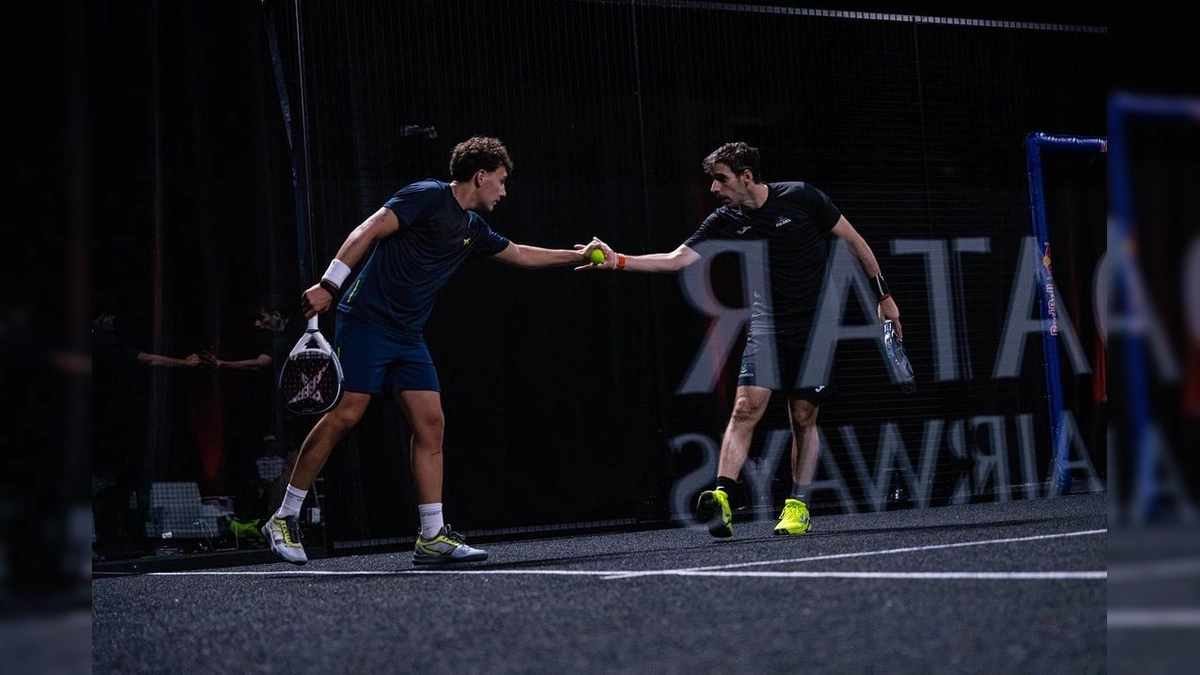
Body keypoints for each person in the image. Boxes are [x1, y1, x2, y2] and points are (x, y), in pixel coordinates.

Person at [262, 136, 604, 565]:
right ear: (480, 176)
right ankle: (285, 516)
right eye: (500, 181)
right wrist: (330, 284)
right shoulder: (426, 196)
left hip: (408, 335)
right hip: (367, 320)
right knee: (347, 414)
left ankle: (431, 536)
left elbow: (519, 255)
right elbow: (368, 229)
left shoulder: (473, 229)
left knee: (431, 425)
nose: (504, 190)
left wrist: (581, 256)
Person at [583, 142, 903, 538]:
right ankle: (722, 496)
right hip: (767, 325)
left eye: (721, 179)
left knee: (803, 416)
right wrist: (619, 260)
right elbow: (675, 260)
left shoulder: (802, 197)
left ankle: (798, 506)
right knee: (744, 408)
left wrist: (884, 297)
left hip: (814, 327)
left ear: (746, 177)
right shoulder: (725, 218)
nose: (714, 189)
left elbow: (854, 241)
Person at [91, 293, 202, 551]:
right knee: (107, 482)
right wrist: (184, 363)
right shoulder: (102, 340)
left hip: (101, 423)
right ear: (101, 317)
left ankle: (109, 541)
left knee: (109, 482)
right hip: (103, 425)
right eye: (110, 316)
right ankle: (111, 540)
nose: (113, 320)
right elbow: (147, 359)